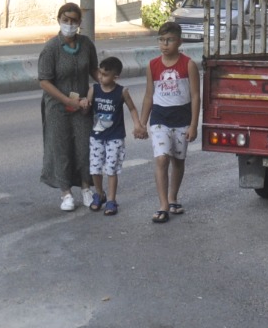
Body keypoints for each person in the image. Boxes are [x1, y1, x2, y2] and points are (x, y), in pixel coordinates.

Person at [136, 20, 201, 223]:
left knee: (178, 160)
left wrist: (193, 125)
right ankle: (163, 204)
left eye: (170, 40)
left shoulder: (188, 64)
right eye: (162, 40)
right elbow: (149, 95)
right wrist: (141, 122)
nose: (165, 44)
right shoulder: (152, 65)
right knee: (162, 158)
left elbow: (195, 96)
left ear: (179, 42)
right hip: (160, 119)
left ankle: (173, 197)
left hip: (181, 119)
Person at [37, 2, 98, 210]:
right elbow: (44, 81)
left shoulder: (86, 45)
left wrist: (107, 83)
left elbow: (94, 71)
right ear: (59, 20)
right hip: (57, 107)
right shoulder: (51, 48)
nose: (69, 24)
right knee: (61, 148)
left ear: (79, 22)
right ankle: (65, 194)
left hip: (82, 105)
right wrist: (66, 100)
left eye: (73, 21)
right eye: (66, 20)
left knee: (84, 147)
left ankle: (86, 188)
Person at [86, 55, 144, 216]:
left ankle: (111, 199)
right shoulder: (94, 89)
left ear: (115, 77)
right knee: (95, 167)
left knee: (111, 169)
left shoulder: (121, 91)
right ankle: (99, 194)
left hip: (115, 137)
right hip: (96, 136)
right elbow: (87, 109)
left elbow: (132, 108)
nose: (100, 77)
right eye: (99, 73)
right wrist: (84, 104)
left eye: (105, 75)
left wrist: (137, 124)